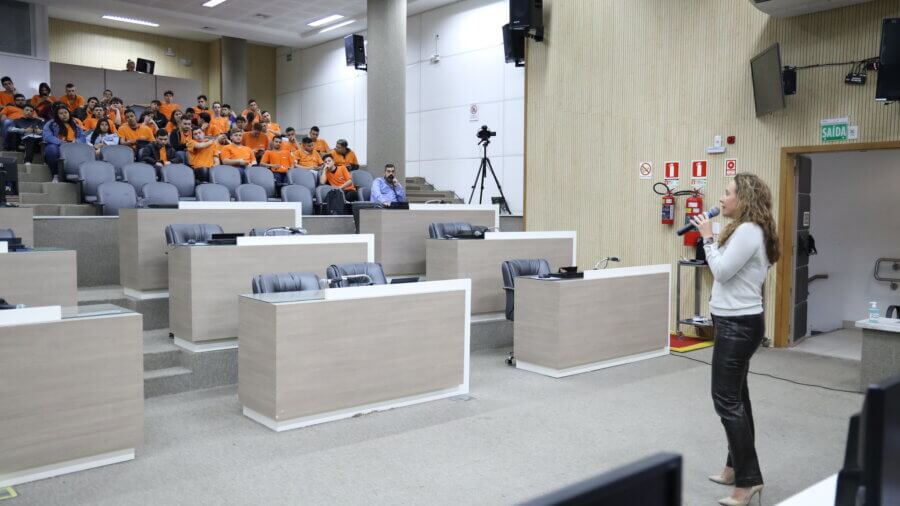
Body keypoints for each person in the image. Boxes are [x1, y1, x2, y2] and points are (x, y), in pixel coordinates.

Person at [691, 173, 779, 506]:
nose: (721, 199)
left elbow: (722, 272)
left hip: (738, 326)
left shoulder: (747, 231)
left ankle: (748, 481)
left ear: (743, 199)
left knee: (725, 400)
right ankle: (734, 467)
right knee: (737, 398)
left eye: (727, 194)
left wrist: (707, 238)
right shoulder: (748, 230)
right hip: (738, 323)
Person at [42, 104, 86, 175]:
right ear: (57, 115)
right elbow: (47, 137)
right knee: (51, 149)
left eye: (65, 112)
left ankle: (80, 175)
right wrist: (62, 142)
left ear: (69, 113)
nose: (64, 115)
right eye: (61, 113)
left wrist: (76, 141)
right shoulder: (50, 124)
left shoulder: (76, 125)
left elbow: (83, 138)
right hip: (58, 146)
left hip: (73, 146)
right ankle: (55, 174)